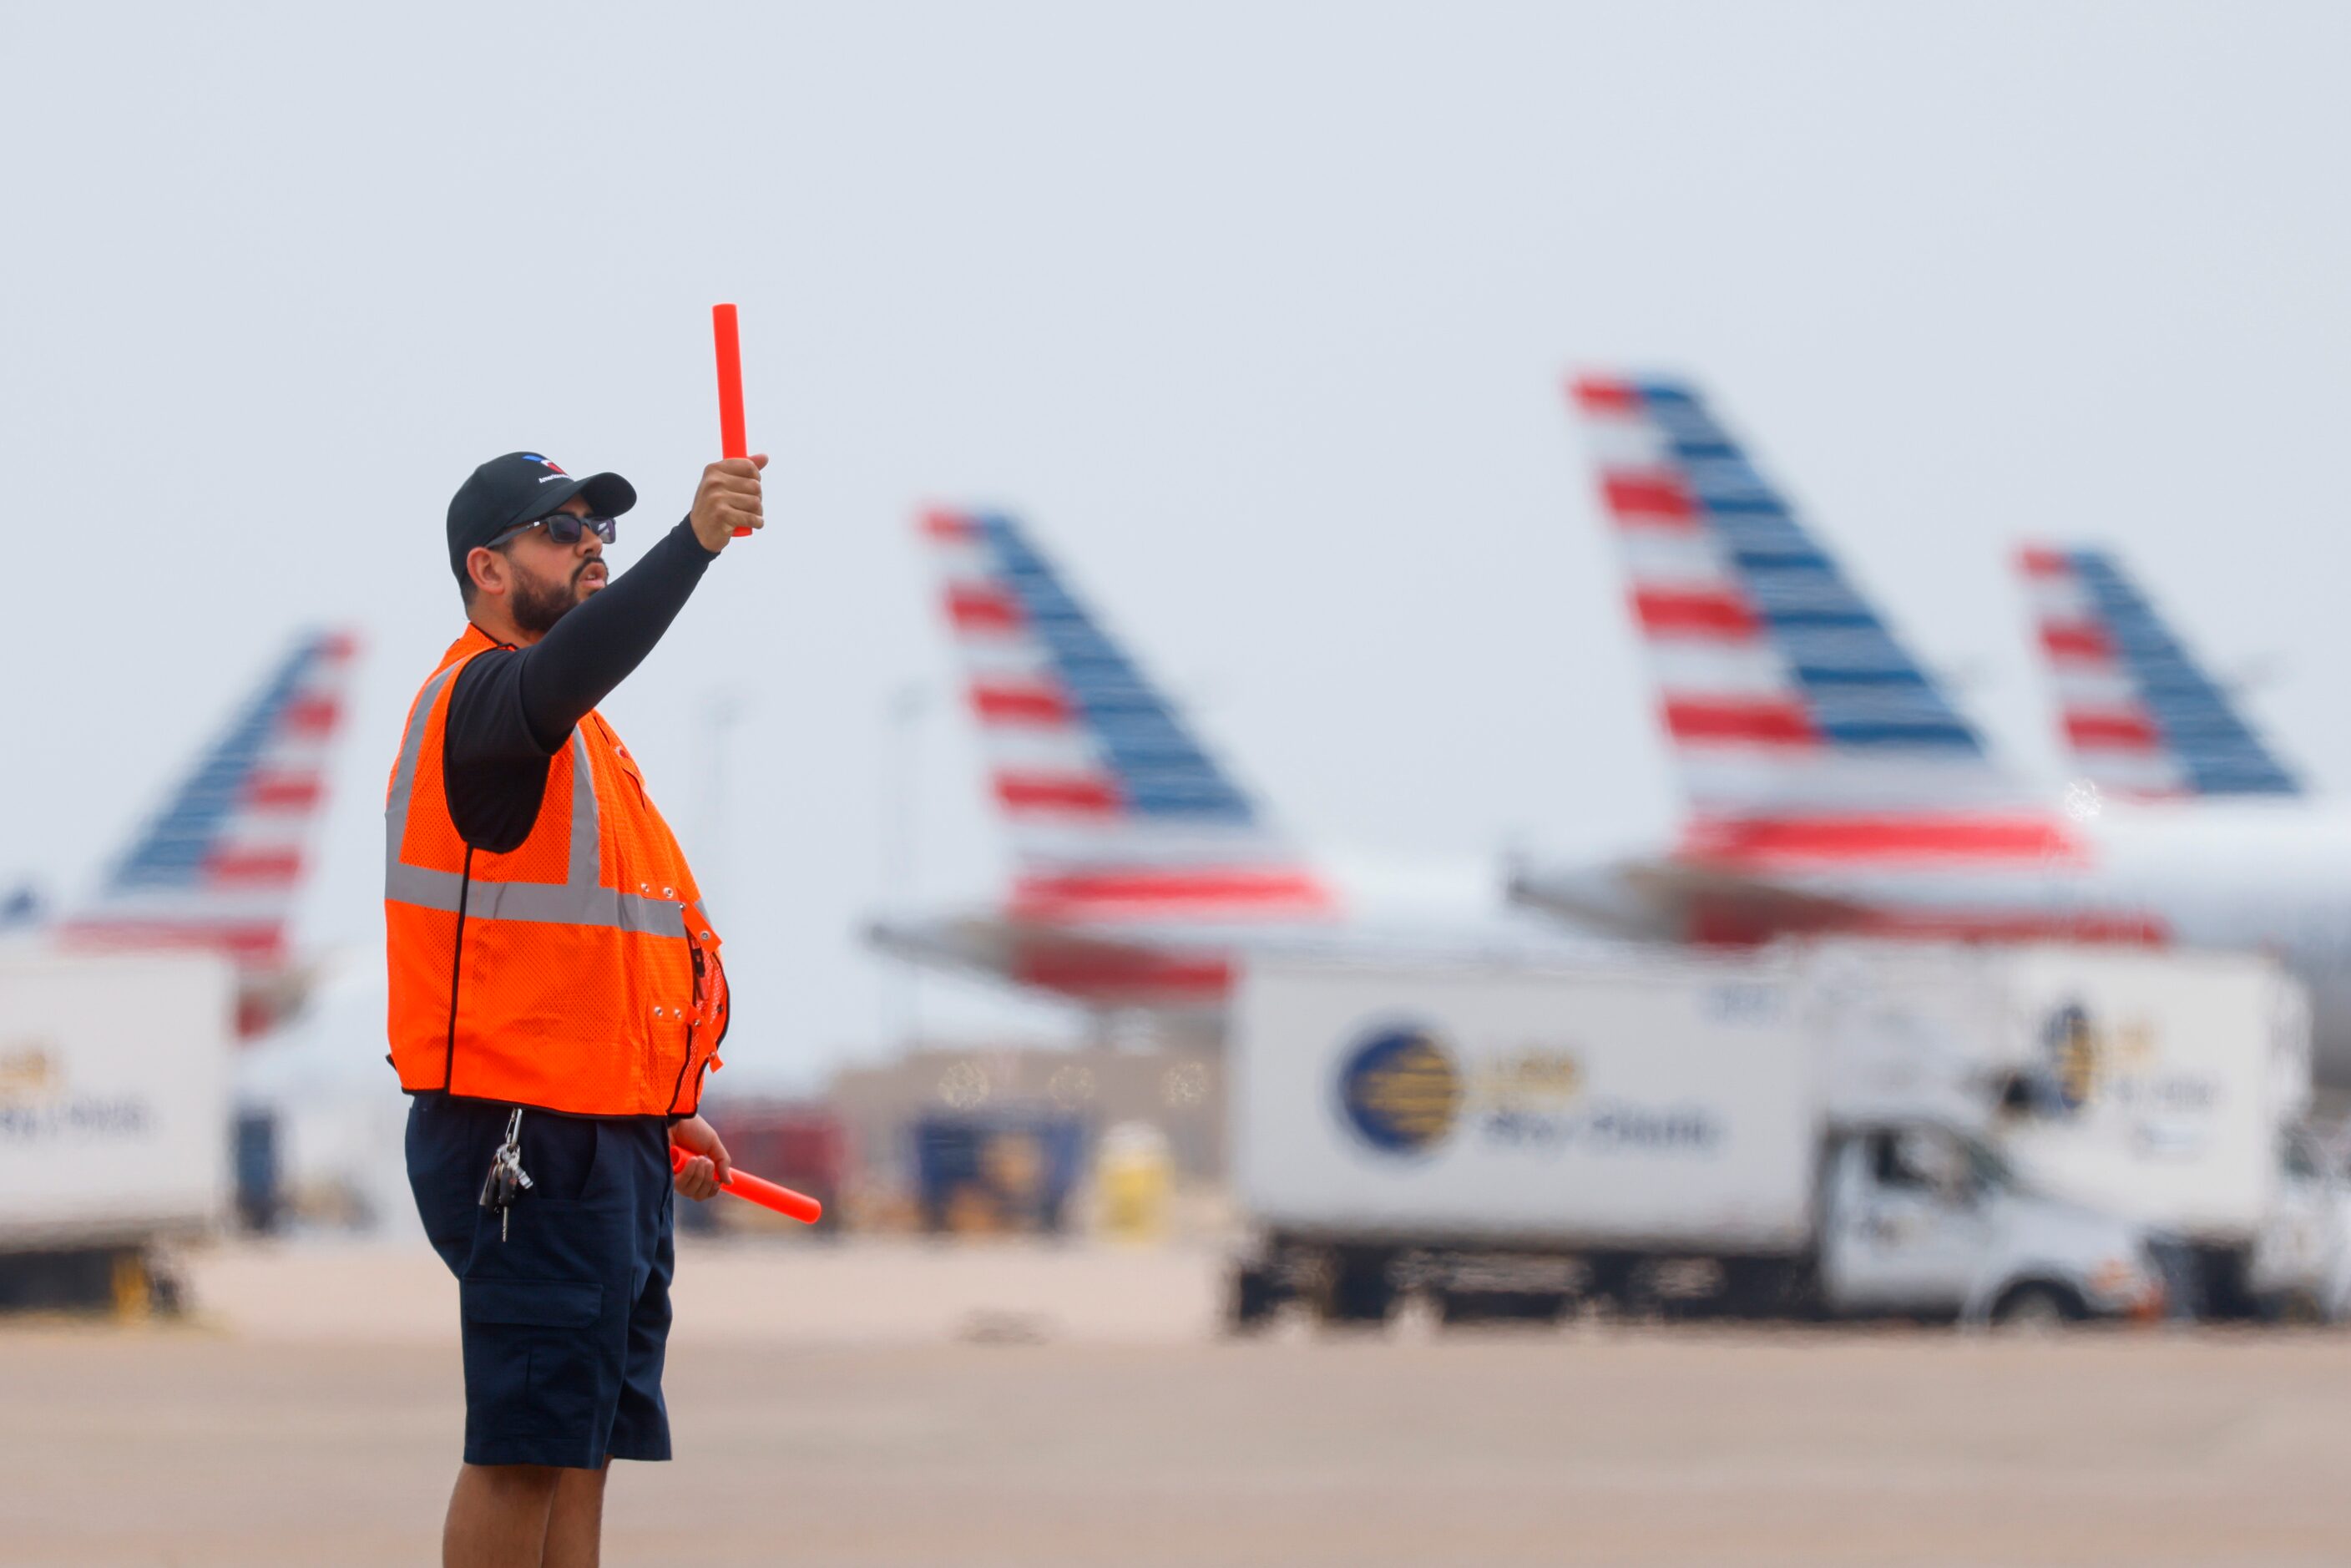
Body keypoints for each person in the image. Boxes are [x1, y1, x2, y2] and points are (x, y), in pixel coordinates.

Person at [386, 447, 766, 1567]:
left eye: (600, 526)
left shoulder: (586, 741)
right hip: (520, 1130)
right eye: (563, 531)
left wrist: (660, 1103)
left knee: (581, 1439)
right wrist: (693, 539)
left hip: (602, 1128)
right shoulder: (492, 700)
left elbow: (607, 956)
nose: (592, 543)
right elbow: (580, 663)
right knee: (523, 1446)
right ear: (486, 569)